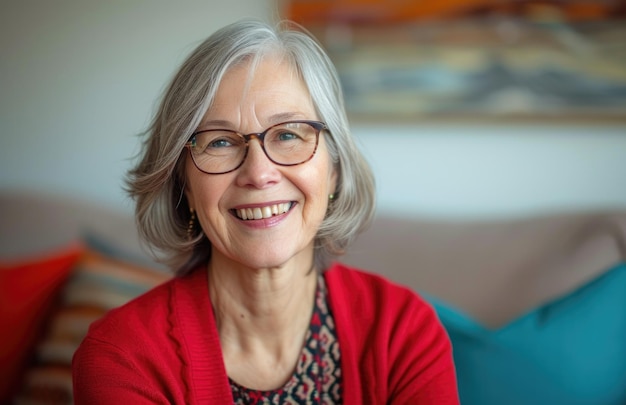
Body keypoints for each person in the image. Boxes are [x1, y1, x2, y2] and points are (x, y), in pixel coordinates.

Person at [72, 19, 459, 404]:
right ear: (184, 184)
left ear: (335, 170)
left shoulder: (403, 331)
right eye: (220, 141)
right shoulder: (123, 356)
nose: (258, 173)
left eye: (288, 134)